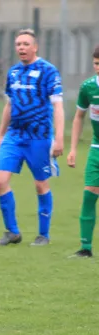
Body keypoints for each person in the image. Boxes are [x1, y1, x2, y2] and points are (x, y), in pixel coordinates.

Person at [0, 29, 64, 246]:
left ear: (35, 47)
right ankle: (12, 232)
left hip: (39, 137)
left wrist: (59, 138)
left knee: (41, 185)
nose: (21, 48)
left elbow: (58, 105)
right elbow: (10, 104)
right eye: (18, 44)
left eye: (25, 44)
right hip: (15, 135)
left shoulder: (48, 71)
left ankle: (44, 235)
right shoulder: (13, 72)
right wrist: (0, 134)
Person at [67, 44, 99, 258]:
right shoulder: (88, 87)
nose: (98, 67)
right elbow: (79, 117)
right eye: (96, 63)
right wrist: (72, 149)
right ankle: (85, 248)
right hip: (96, 149)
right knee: (89, 196)